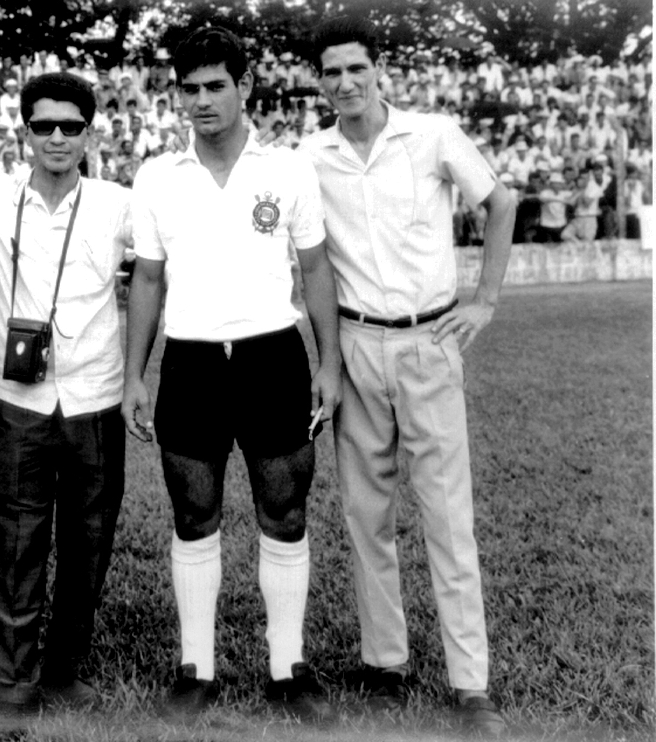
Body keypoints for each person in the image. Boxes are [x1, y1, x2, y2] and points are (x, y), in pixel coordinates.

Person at [298, 16, 516, 736]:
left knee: (448, 519)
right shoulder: (311, 155)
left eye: (356, 68)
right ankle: (385, 665)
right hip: (356, 348)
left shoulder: (432, 134)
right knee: (368, 517)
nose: (345, 83)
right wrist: (327, 359)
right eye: (330, 72)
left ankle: (469, 685)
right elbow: (313, 260)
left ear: (379, 70)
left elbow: (500, 200)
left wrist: (484, 301)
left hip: (429, 340)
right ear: (318, 80)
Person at [122, 27, 342, 724]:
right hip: (190, 362)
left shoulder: (287, 170)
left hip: (272, 356)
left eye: (216, 85)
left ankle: (288, 666)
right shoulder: (158, 176)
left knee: (284, 506)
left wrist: (329, 363)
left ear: (245, 87)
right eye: (189, 88)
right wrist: (135, 374)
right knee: (194, 513)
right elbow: (148, 280)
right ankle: (197, 668)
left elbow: (313, 269)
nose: (202, 100)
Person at [0, 71, 132, 714]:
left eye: (71, 126)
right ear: (24, 131)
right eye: (44, 126)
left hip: (95, 395)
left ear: (90, 133)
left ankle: (66, 667)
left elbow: (156, 276)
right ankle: (15, 678)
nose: (58, 138)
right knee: (16, 540)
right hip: (20, 400)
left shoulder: (118, 204)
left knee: (89, 540)